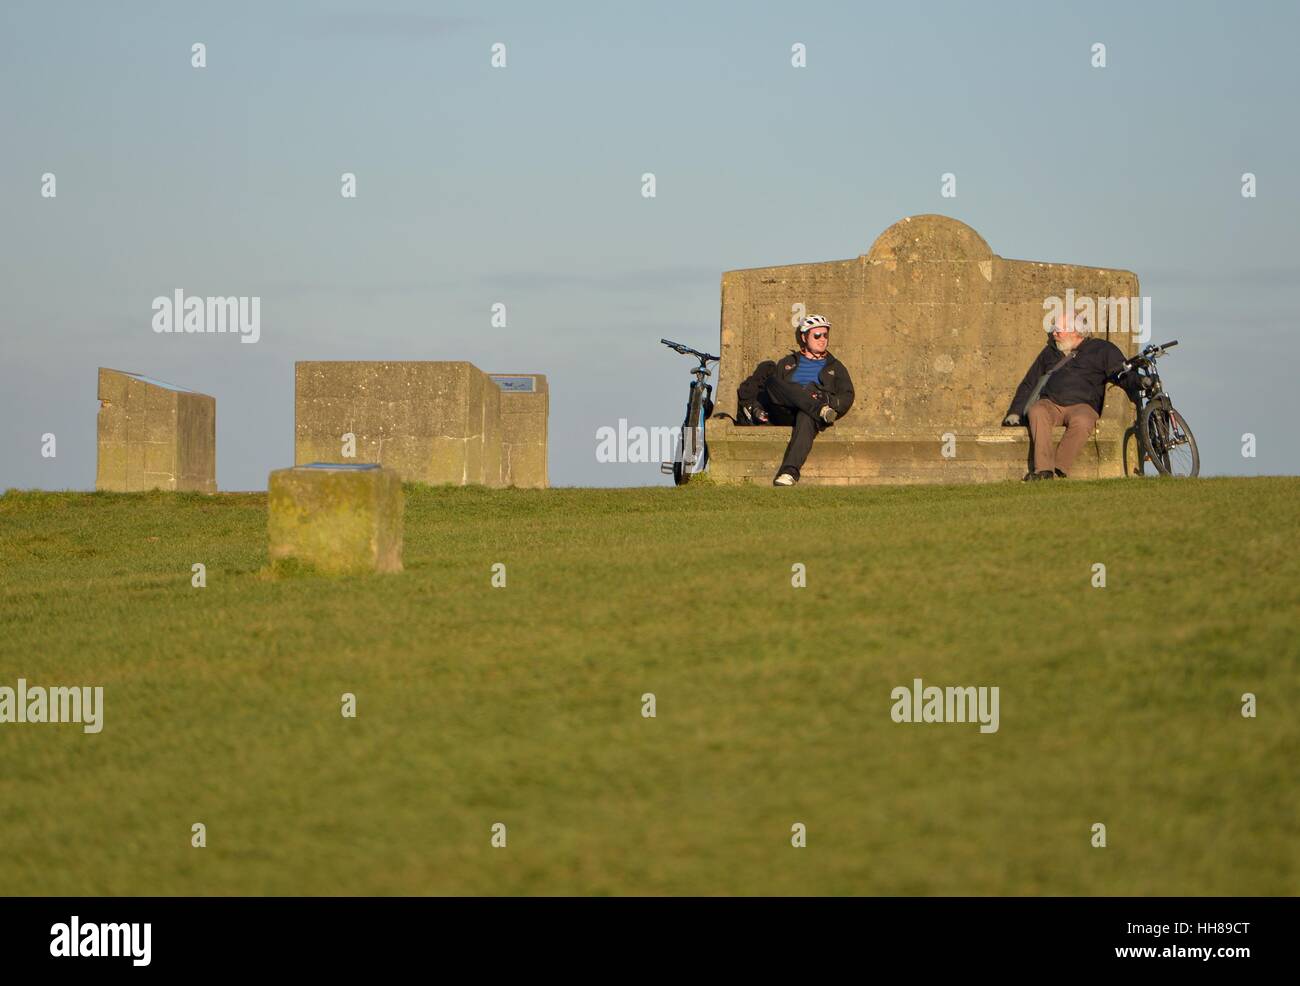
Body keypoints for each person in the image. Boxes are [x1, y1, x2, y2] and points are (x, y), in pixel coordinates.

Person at [1003, 311, 1140, 479]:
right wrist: (1015, 412)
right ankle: (1043, 470)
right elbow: (1030, 383)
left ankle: (1059, 468)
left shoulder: (1102, 349)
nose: (1054, 334)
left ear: (1075, 331)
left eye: (1058, 330)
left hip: (1083, 406)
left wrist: (1140, 384)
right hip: (1051, 404)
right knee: (1037, 411)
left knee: (1083, 421)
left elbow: (1121, 373)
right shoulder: (1050, 352)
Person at [765, 315, 856, 486]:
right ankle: (818, 408)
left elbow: (847, 395)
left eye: (825, 335)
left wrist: (827, 399)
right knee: (772, 381)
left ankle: (789, 472)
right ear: (804, 337)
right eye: (817, 336)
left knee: (806, 414)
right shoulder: (787, 363)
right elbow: (773, 390)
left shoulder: (835, 367)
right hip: (785, 409)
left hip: (809, 415)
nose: (822, 340)